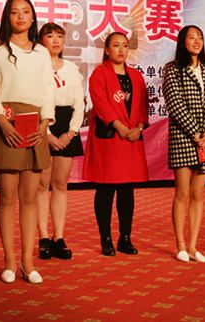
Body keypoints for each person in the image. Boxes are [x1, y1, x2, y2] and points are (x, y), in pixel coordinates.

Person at [0, 0, 55, 284]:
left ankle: (27, 262)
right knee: (7, 197)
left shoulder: (41, 53)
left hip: (35, 126)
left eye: (26, 12)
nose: (21, 17)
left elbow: (48, 90)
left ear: (33, 17)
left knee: (30, 198)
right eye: (15, 12)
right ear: (7, 17)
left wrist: (45, 123)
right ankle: (9, 261)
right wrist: (2, 122)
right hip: (7, 125)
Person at [162, 25, 205, 263]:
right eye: (192, 37)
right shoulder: (173, 69)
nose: (197, 41)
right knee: (182, 193)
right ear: (182, 41)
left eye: (200, 37)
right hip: (184, 138)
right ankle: (179, 244)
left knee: (198, 194)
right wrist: (196, 133)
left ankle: (192, 246)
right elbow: (175, 104)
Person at [83, 31, 149, 256]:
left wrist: (139, 127)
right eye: (116, 45)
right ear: (107, 50)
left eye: (125, 45)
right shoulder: (99, 74)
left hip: (131, 139)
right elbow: (101, 104)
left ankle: (125, 238)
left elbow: (143, 106)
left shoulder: (136, 76)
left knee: (127, 190)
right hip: (111, 139)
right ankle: (106, 239)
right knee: (106, 189)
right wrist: (119, 126)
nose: (121, 50)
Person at [36, 22, 85, 260]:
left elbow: (79, 104)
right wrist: (46, 134)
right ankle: (43, 237)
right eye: (50, 36)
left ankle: (59, 236)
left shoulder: (72, 68)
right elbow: (34, 101)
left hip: (67, 125)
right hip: (42, 125)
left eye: (59, 36)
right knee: (41, 185)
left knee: (61, 184)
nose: (55, 40)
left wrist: (71, 132)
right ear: (40, 40)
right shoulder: (35, 68)